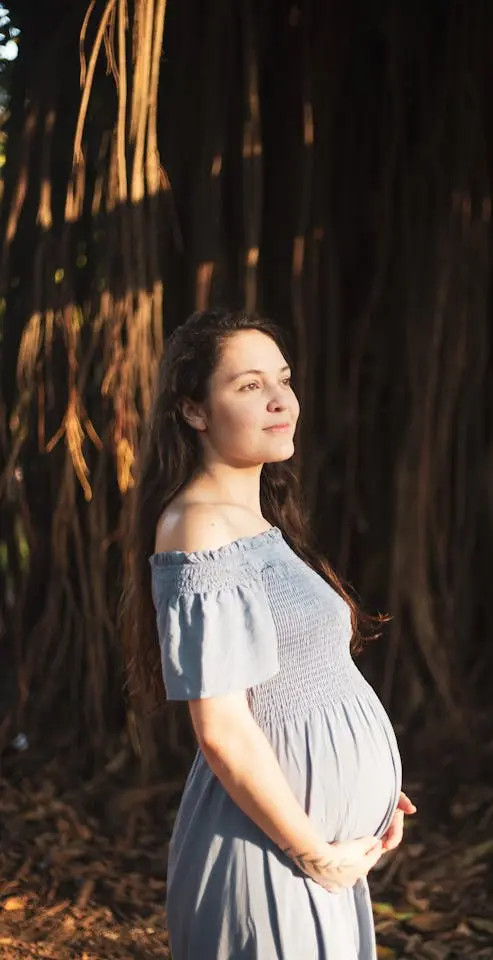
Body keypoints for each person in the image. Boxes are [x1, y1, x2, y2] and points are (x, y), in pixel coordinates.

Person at [122, 308, 416, 959]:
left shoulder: (262, 527)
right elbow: (223, 727)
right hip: (272, 855)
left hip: (315, 853)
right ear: (194, 411)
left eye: (281, 379)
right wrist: (315, 851)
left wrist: (366, 788)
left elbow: (300, 682)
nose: (280, 399)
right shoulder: (197, 527)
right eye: (248, 385)